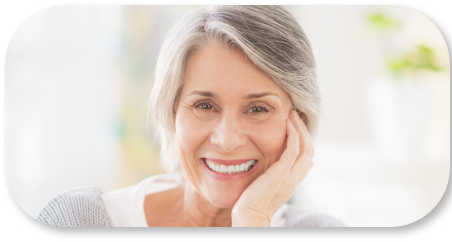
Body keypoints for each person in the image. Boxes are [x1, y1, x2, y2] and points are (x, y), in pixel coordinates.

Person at [37, 5, 345, 227]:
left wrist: (252, 221)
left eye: (258, 109)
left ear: (298, 123)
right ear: (173, 113)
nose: (226, 140)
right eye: (205, 106)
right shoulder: (75, 222)